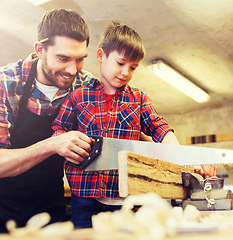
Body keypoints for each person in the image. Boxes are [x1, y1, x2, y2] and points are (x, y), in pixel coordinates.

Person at [52, 21, 216, 229]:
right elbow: (58, 129)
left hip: (127, 200)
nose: (125, 72)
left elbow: (159, 128)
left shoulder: (138, 99)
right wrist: (65, 145)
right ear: (101, 56)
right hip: (85, 198)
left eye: (133, 67)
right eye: (120, 63)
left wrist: (183, 156)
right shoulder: (78, 96)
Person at [0, 8, 94, 234]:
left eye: (79, 60)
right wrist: (53, 144)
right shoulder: (3, 82)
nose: (72, 70)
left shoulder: (85, 87)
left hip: (49, 207)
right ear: (40, 50)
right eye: (63, 59)